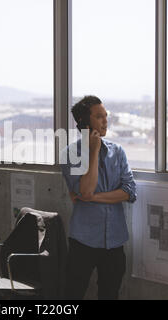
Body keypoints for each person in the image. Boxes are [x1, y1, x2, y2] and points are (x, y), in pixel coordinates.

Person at [60, 95, 137, 300]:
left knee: (109, 295)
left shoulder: (117, 151)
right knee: (72, 295)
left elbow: (129, 192)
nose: (105, 121)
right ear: (84, 123)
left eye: (106, 116)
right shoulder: (70, 155)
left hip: (115, 241)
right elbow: (85, 189)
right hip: (83, 241)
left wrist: (91, 198)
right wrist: (94, 151)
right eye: (99, 117)